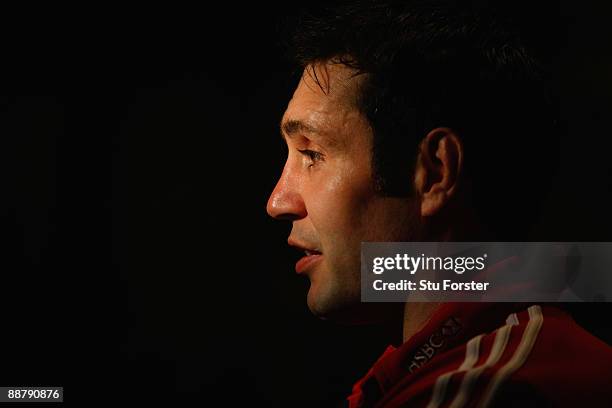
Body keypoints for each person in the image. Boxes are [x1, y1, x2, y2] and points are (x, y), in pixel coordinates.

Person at [266, 1, 612, 406]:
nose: (278, 202)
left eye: (313, 155)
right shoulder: (471, 367)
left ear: (434, 172)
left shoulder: (490, 390)